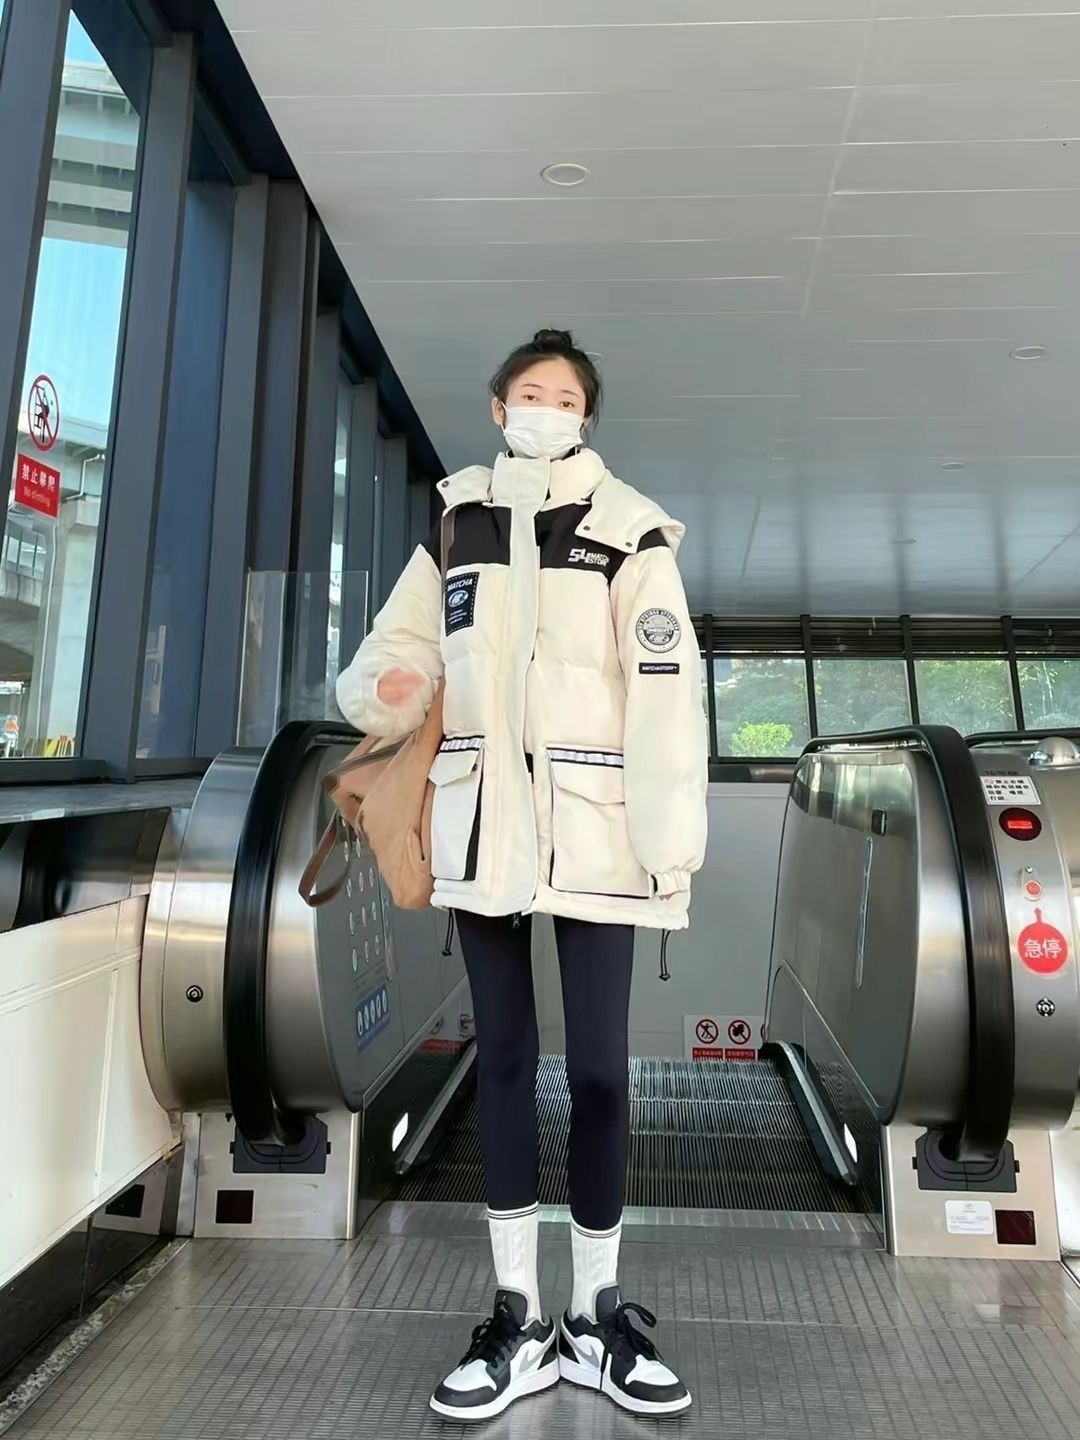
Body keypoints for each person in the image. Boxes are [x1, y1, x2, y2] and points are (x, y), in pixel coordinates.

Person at [337, 329, 708, 1422]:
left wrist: (669, 840)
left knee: (599, 1074)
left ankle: (596, 1315)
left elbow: (668, 693)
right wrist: (393, 685)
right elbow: (396, 652)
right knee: (501, 1064)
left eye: (568, 398)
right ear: (499, 408)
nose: (548, 409)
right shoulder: (456, 523)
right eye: (531, 393)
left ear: (586, 419)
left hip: (601, 839)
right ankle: (518, 1317)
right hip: (483, 834)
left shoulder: (631, 530)